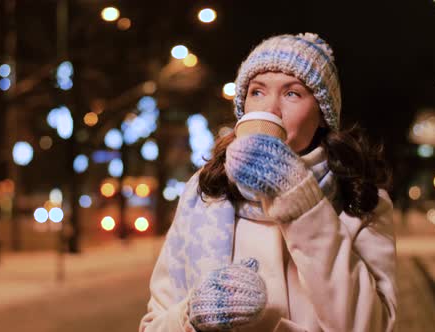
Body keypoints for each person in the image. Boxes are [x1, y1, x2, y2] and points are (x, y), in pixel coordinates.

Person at [139, 32, 397, 332]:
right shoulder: (205, 192)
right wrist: (192, 314)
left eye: (292, 94)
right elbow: (154, 325)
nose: (270, 109)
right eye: (257, 92)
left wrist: (301, 200)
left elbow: (370, 326)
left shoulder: (360, 198)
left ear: (324, 115)